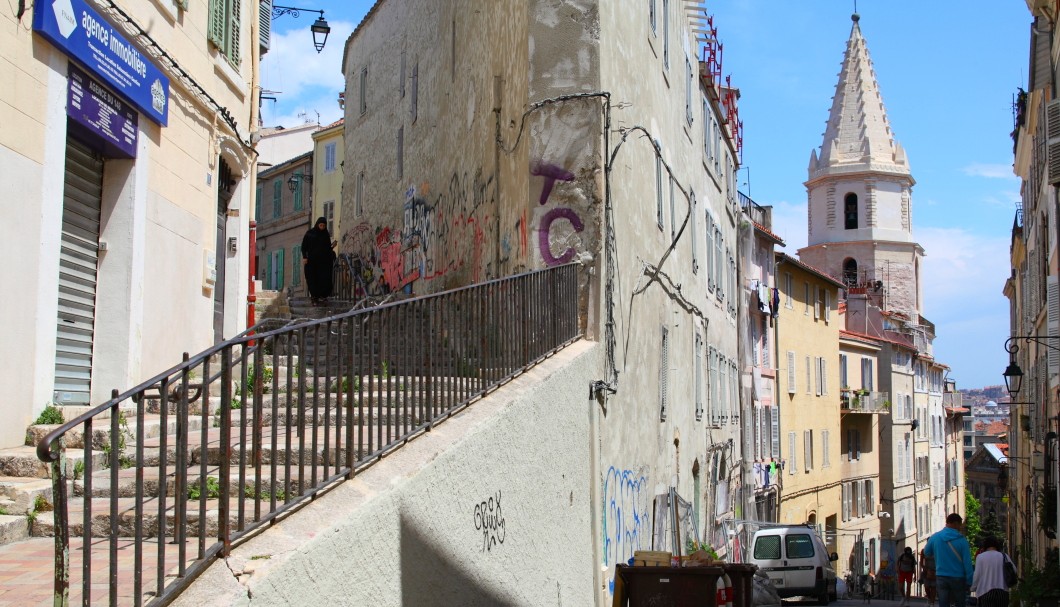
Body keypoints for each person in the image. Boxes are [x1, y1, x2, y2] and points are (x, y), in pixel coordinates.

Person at [924, 513, 974, 607]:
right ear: (955, 523)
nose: (960, 527)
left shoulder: (935, 537)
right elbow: (967, 562)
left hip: (941, 576)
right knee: (960, 603)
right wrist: (969, 581)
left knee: (943, 603)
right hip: (958, 577)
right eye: (960, 524)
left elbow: (927, 552)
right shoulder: (962, 540)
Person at [302, 217, 337, 304]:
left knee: (324, 278)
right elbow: (304, 246)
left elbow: (327, 249)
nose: (322, 227)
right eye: (320, 225)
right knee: (312, 278)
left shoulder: (325, 235)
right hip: (312, 262)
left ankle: (323, 296)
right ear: (317, 224)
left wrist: (332, 247)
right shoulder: (310, 234)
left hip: (323, 262)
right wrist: (304, 257)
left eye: (323, 226)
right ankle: (314, 297)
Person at [970, 536, 1012, 607]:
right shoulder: (1004, 556)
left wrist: (973, 588)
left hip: (985, 593)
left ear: (985, 546)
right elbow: (1013, 570)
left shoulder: (980, 557)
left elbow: (977, 575)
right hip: (1003, 593)